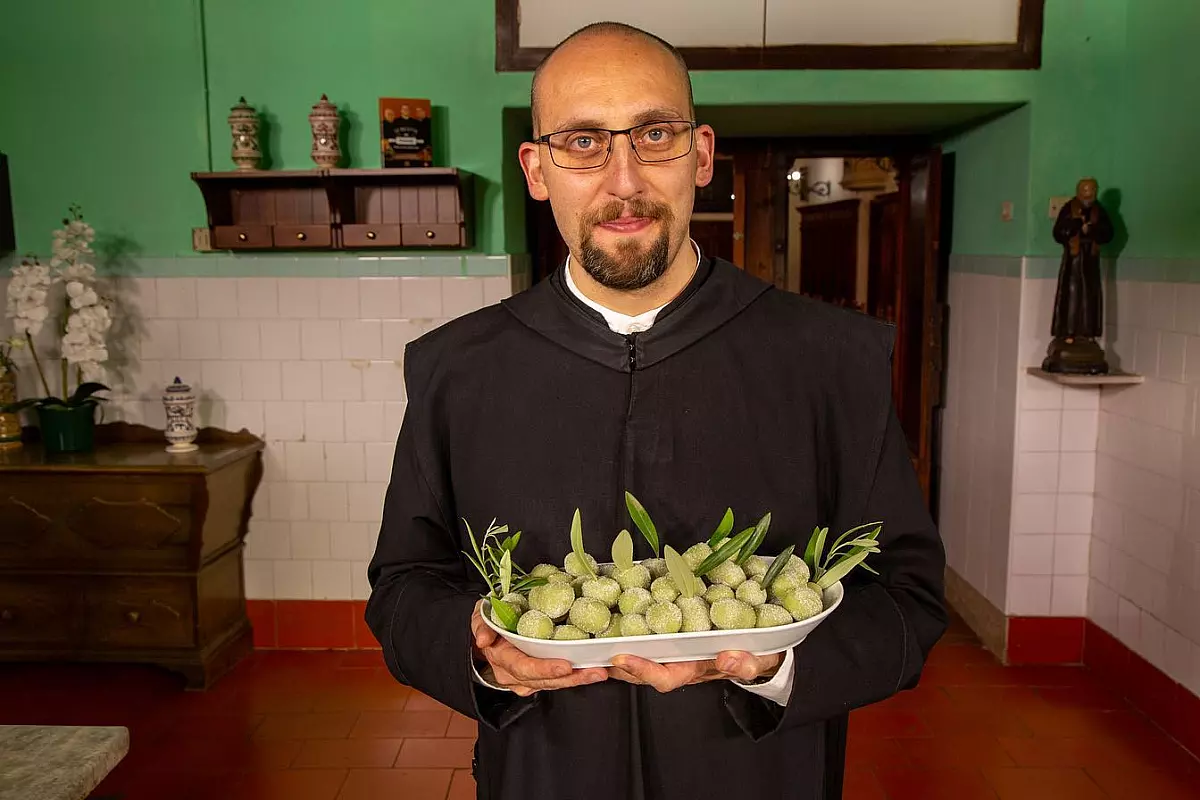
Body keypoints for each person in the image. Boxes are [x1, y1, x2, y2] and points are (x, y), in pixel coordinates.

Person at [365, 21, 947, 800]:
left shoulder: (832, 361)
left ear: (701, 154)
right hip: (543, 776)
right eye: (582, 142)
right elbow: (402, 587)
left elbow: (907, 597)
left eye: (656, 134)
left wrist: (777, 666)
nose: (625, 181)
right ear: (537, 171)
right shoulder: (454, 370)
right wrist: (476, 648)